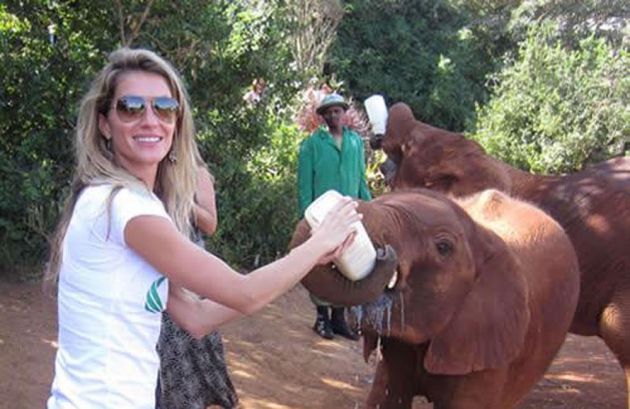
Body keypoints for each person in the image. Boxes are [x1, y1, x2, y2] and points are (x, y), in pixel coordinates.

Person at [45, 47, 362, 409]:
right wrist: (318, 243)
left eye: (164, 107)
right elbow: (244, 293)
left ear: (177, 121)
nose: (150, 120)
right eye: (131, 107)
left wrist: (308, 259)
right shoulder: (124, 206)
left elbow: (196, 317)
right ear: (104, 123)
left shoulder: (127, 202)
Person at [156, 165, 238, 409]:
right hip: (154, 273)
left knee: (191, 358)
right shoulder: (145, 170)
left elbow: (210, 224)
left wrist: (177, 196)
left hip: (190, 279)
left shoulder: (196, 173)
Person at [297, 92, 372, 341]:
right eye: (327, 112)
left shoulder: (355, 142)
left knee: (346, 263)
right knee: (322, 266)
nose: (332, 116)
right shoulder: (312, 144)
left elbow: (361, 179)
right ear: (322, 117)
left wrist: (369, 208)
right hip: (323, 215)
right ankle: (322, 318)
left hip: (348, 211)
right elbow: (304, 184)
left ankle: (339, 318)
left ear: (344, 113)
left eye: (337, 111)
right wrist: (306, 217)